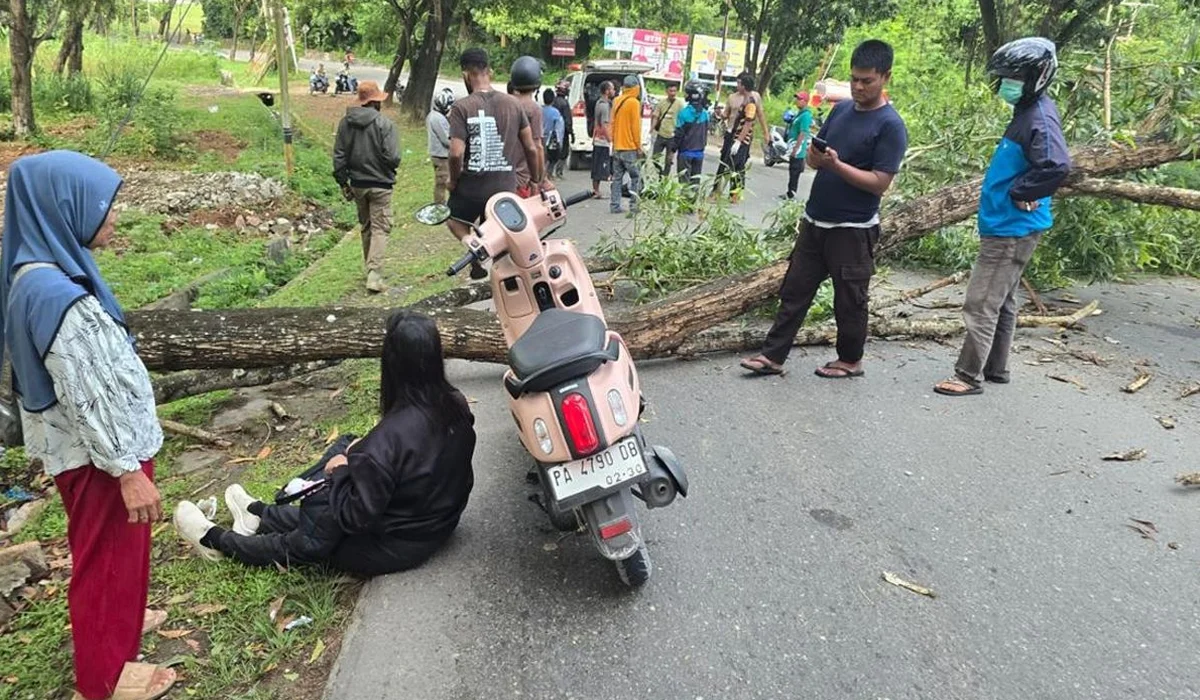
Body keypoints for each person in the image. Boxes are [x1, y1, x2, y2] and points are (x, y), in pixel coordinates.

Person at [0, 151, 175, 700]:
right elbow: (85, 393)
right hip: (101, 459)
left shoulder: (41, 272)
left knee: (118, 553)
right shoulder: (56, 295)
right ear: (64, 207)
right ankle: (103, 681)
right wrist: (126, 470)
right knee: (104, 562)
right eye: (105, 208)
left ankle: (120, 626)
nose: (114, 218)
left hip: (91, 454)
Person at [174, 311, 476, 575]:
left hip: (396, 544)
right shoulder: (456, 403)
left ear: (392, 364)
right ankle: (259, 513)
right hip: (436, 523)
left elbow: (356, 517)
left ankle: (214, 540)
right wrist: (361, 455)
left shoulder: (388, 439)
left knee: (309, 538)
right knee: (333, 483)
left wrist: (341, 471)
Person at [740, 40, 908, 379]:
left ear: (885, 77)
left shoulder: (890, 125)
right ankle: (772, 356)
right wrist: (817, 159)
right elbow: (821, 156)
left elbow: (880, 182)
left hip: (854, 228)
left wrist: (836, 166)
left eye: (867, 81)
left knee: (850, 300)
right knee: (794, 290)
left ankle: (850, 360)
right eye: (854, 80)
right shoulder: (842, 110)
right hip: (816, 219)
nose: (858, 87)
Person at [934, 37, 1071, 397]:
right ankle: (996, 368)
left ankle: (967, 375)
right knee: (1004, 299)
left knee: (981, 302)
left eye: (1013, 77)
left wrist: (1023, 192)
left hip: (1010, 228)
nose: (1005, 84)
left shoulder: (1038, 117)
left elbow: (1056, 165)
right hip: (1011, 224)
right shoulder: (1028, 112)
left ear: (1036, 76)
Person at [447, 48, 541, 280]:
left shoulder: (462, 107)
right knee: (501, 227)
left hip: (472, 187)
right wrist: (537, 179)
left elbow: (456, 153)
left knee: (453, 220)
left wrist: (453, 180)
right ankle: (504, 270)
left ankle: (471, 242)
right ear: (490, 71)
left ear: (466, 75)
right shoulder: (514, 104)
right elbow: (531, 147)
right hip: (504, 187)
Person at [333, 80, 400, 294]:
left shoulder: (345, 123)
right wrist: (384, 166)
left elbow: (339, 157)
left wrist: (343, 183)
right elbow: (394, 157)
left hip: (358, 185)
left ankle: (370, 268)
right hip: (381, 184)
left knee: (367, 227)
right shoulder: (384, 124)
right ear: (375, 102)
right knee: (381, 228)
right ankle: (374, 274)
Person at [713, 72, 769, 203]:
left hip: (742, 136)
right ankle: (716, 191)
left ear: (744, 85)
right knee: (724, 162)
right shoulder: (732, 97)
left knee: (738, 165)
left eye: (739, 82)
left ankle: (735, 193)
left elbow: (758, 116)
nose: (737, 85)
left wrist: (766, 133)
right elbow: (726, 114)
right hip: (730, 133)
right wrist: (720, 115)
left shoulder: (753, 98)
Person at [509, 56, 546, 197]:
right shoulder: (534, 109)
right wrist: (538, 179)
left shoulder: (505, 103)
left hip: (502, 178)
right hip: (523, 179)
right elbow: (537, 147)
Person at [610, 75, 643, 216]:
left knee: (617, 178)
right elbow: (635, 127)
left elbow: (612, 123)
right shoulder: (634, 103)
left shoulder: (616, 100)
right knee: (636, 177)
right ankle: (633, 207)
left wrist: (614, 141)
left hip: (617, 146)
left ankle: (614, 205)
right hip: (629, 148)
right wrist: (639, 146)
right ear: (635, 88)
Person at [675, 81, 710, 194]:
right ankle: (691, 206)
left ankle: (684, 205)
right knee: (695, 182)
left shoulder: (683, 113)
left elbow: (678, 135)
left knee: (684, 182)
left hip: (685, 153)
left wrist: (673, 149)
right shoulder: (705, 114)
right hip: (699, 153)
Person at [427, 88, 455, 205]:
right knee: (442, 182)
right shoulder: (438, 119)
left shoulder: (434, 115)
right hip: (441, 156)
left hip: (438, 154)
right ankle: (440, 205)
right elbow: (446, 139)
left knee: (441, 181)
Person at [784, 91, 814, 200]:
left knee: (794, 171)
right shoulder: (799, 113)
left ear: (805, 101)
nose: (797, 101)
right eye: (797, 98)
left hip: (798, 148)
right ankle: (789, 192)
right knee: (792, 170)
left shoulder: (806, 115)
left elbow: (803, 132)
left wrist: (796, 148)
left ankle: (791, 193)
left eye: (799, 99)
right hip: (792, 145)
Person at [651, 82, 683, 176]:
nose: (673, 93)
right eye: (670, 91)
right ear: (666, 91)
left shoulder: (680, 104)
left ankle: (664, 178)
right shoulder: (662, 103)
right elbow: (656, 116)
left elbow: (682, 119)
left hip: (672, 137)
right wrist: (651, 129)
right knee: (654, 158)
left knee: (668, 161)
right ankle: (660, 174)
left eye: (674, 91)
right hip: (661, 134)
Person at [590, 81, 615, 200]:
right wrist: (610, 140)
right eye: (612, 89)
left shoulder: (599, 103)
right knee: (600, 166)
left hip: (598, 139)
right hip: (602, 140)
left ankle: (596, 190)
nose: (614, 91)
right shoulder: (604, 106)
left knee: (597, 165)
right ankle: (596, 190)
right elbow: (604, 125)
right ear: (607, 91)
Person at [551, 79, 575, 179]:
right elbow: (567, 119)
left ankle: (550, 172)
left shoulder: (553, 101)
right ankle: (558, 172)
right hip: (563, 131)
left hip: (553, 131)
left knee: (552, 151)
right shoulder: (564, 103)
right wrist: (571, 133)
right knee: (564, 152)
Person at [542, 88, 566, 180]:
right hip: (550, 140)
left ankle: (542, 174)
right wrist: (560, 141)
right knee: (551, 159)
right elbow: (559, 128)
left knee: (542, 159)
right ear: (553, 99)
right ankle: (548, 174)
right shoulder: (555, 112)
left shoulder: (539, 110)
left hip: (539, 138)